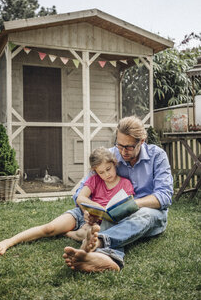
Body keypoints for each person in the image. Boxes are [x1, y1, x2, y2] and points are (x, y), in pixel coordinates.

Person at [63, 116, 174, 272]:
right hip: (115, 216)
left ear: (142, 141)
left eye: (128, 147)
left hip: (149, 214)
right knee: (111, 218)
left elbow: (165, 195)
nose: (122, 151)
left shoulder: (157, 156)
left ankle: (99, 243)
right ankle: (108, 259)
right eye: (119, 145)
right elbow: (80, 193)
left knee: (143, 214)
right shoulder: (110, 156)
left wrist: (135, 204)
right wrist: (87, 209)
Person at [0, 147, 134, 255]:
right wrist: (88, 210)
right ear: (95, 172)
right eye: (101, 172)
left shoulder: (125, 184)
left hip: (101, 224)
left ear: (114, 163)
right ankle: (9, 241)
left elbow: (126, 208)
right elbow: (81, 198)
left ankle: (68, 233)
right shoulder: (95, 180)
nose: (106, 175)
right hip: (82, 214)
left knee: (88, 234)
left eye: (108, 169)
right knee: (49, 228)